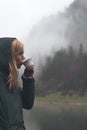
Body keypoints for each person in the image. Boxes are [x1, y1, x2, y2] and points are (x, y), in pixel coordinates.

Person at [0, 37, 35, 130]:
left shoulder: (11, 83)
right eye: (20, 53)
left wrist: (28, 79)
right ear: (8, 56)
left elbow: (28, 103)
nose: (23, 58)